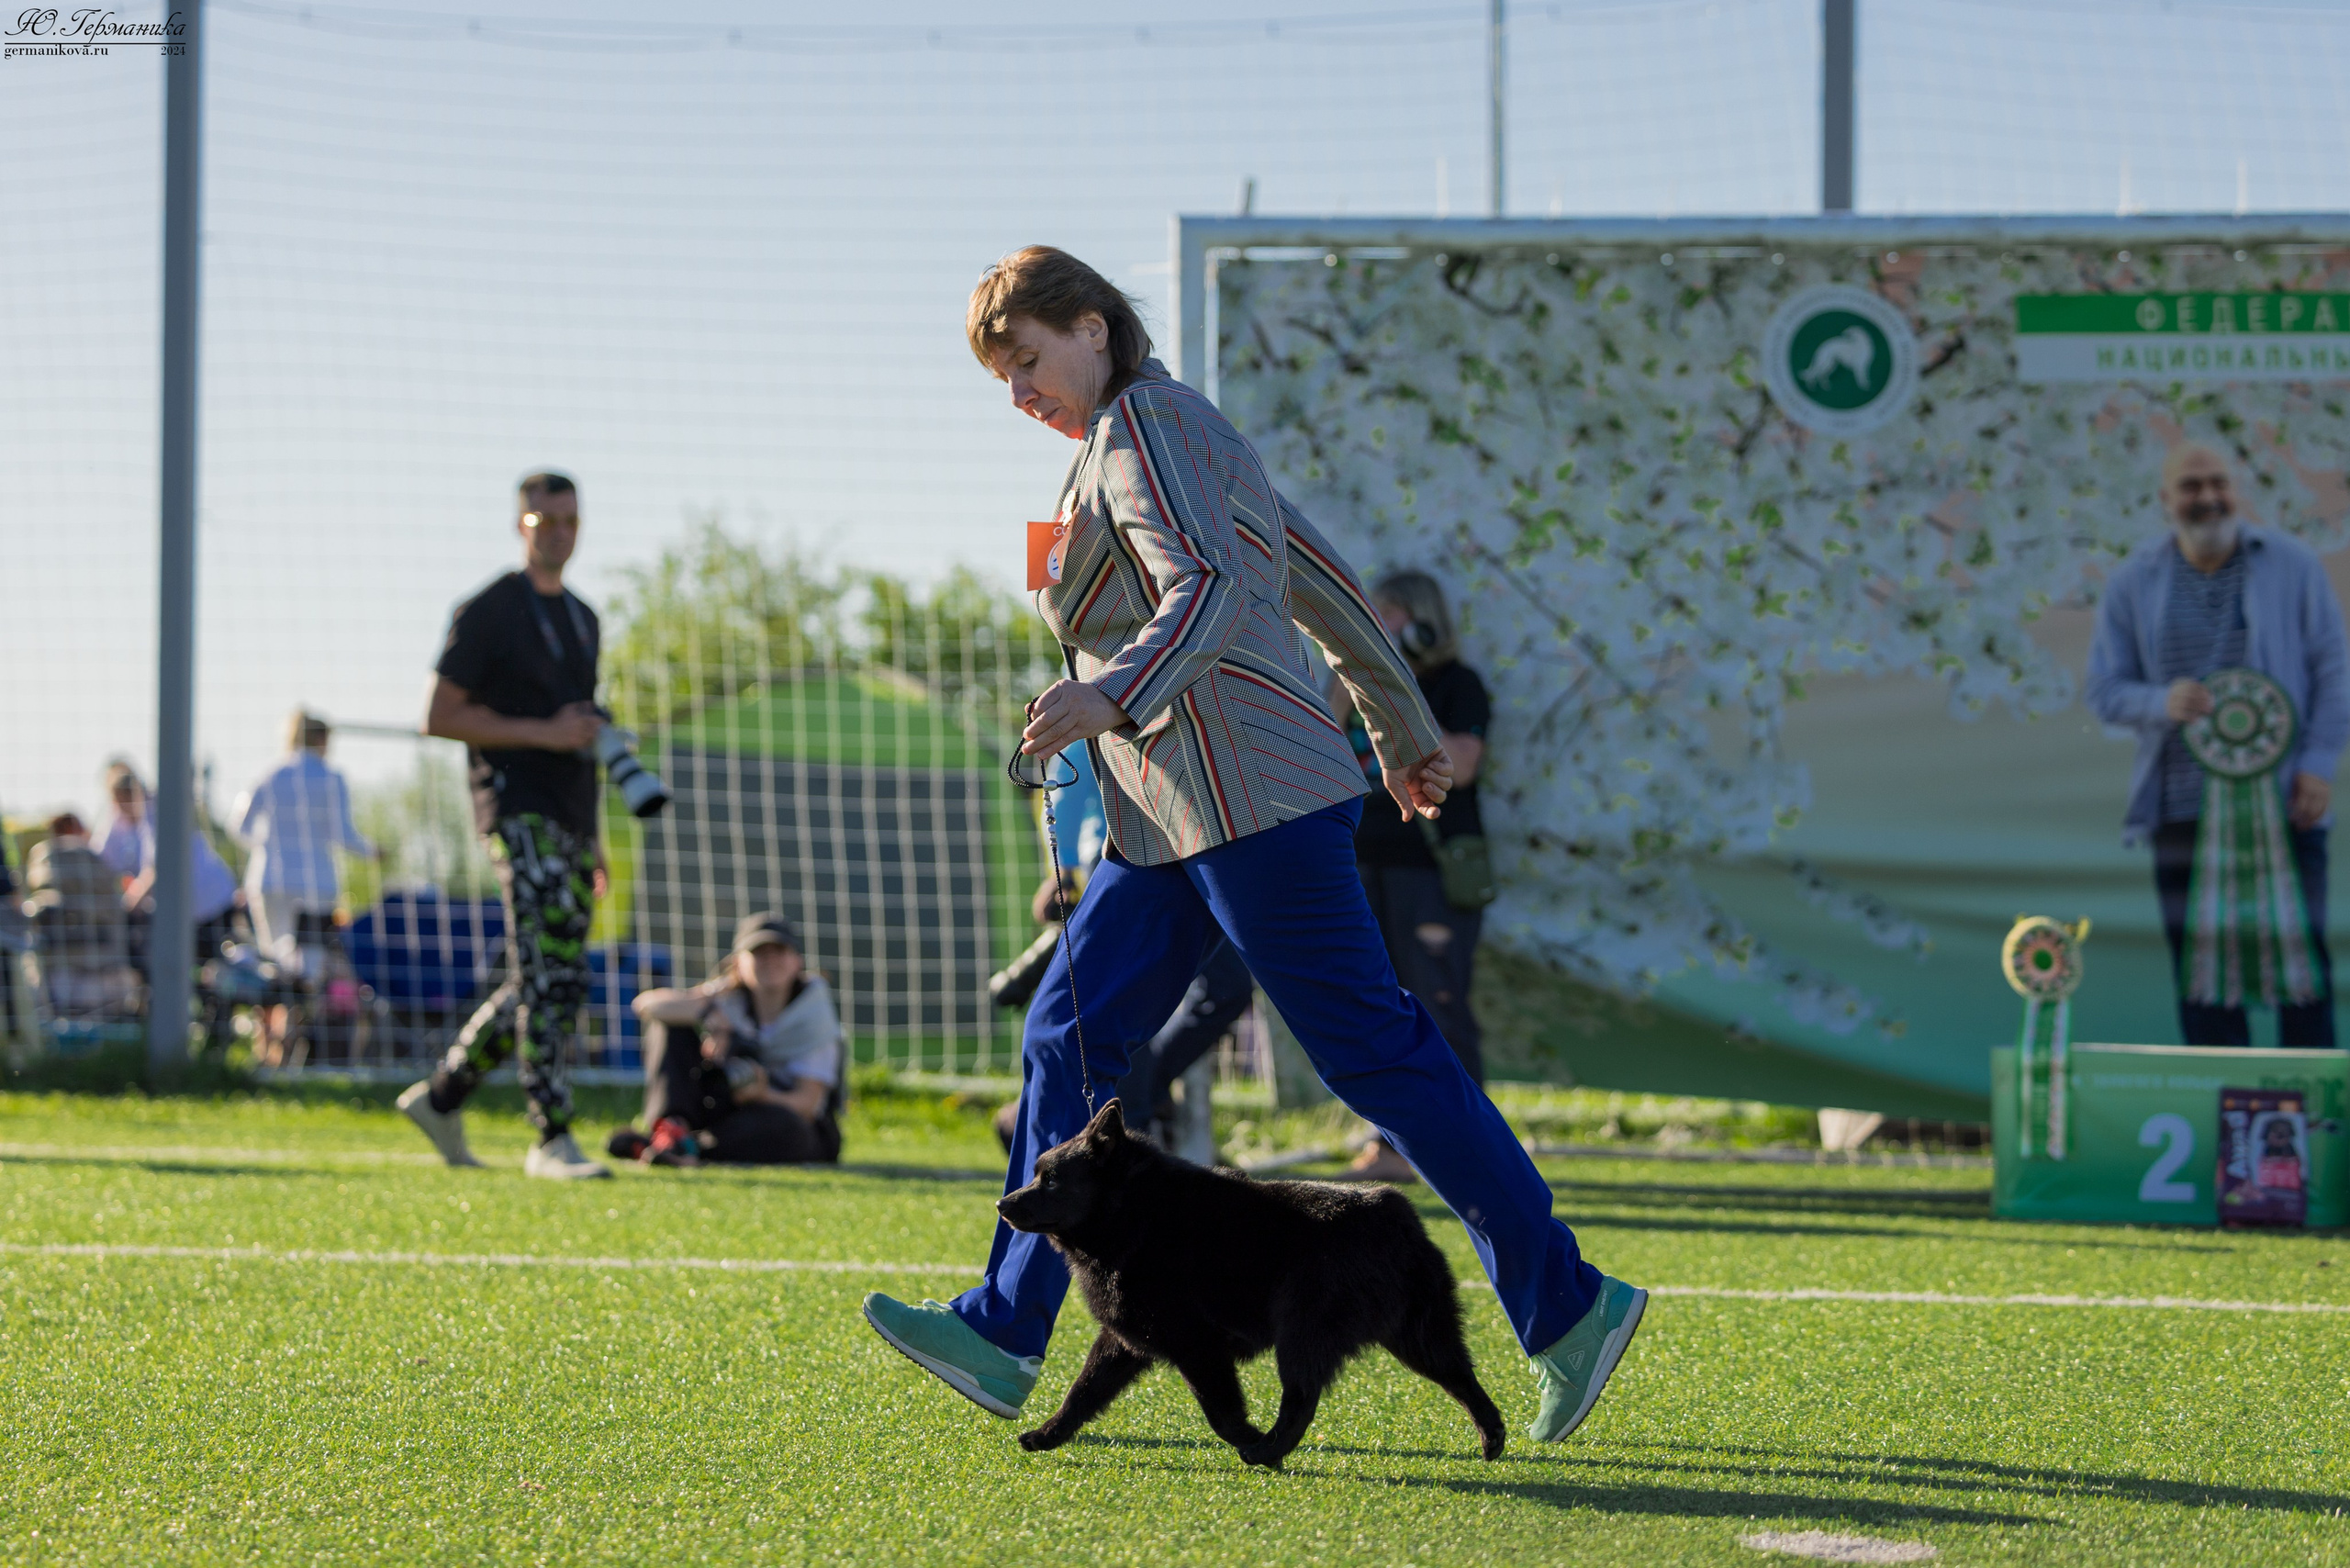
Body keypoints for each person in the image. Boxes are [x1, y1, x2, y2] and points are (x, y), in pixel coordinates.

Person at [861, 247, 1644, 1447]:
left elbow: (1222, 585)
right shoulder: (1155, 436)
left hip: (1247, 798)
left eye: (1027, 359)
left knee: (1375, 1055)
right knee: (1067, 1031)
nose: (1019, 391)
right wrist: (1400, 727)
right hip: (1173, 814)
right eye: (1000, 378)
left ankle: (1569, 1304)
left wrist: (1111, 691)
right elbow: (1316, 572)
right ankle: (1006, 1330)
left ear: (1095, 329)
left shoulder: (1148, 425)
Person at [2088, 442, 2350, 1047]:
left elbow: (2334, 670)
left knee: (2303, 974)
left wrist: (2316, 765)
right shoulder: (2133, 581)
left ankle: (2311, 1127)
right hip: (2179, 814)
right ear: (2165, 501)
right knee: (2200, 981)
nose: (2208, 498)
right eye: (2191, 486)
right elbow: (2103, 689)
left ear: (2237, 489)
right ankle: (2225, 1124)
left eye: (2218, 483)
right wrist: (2159, 702)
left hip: (2289, 808)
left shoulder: (2294, 564)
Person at [397, 471, 613, 1179]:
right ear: (520, 525)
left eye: (570, 521)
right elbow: (440, 715)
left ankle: (442, 1096)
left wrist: (598, 835)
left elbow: (579, 732)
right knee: (550, 973)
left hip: (574, 818)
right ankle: (550, 1135)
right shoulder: (489, 608)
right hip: (517, 812)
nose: (558, 532)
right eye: (543, 521)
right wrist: (542, 734)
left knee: (552, 976)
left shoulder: (584, 618)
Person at [1341, 570, 1494, 1182]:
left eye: (1392, 615)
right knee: (1377, 1006)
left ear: (1424, 619)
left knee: (1439, 1002)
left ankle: (1472, 1146)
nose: (1381, 626)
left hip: (1430, 870)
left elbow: (1459, 766)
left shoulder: (1458, 685)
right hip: (1360, 860)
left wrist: (1402, 690)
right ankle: (1393, 1145)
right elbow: (1334, 757)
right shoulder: (1357, 686)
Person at [617, 913, 845, 1166]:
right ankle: (671, 1132)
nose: (769, 960)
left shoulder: (813, 1012)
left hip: (779, 1114)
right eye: (759, 952)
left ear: (797, 961)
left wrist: (761, 1094)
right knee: (671, 1024)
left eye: (779, 951)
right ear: (738, 963)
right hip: (727, 1109)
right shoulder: (727, 996)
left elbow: (808, 1105)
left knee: (786, 1129)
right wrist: (709, 1015)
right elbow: (645, 1004)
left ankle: (687, 1149)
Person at [233, 710, 377, 964]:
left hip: (270, 878)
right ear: (321, 740)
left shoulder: (271, 774)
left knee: (273, 960)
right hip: (316, 883)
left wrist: (265, 846)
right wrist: (373, 851)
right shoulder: (331, 779)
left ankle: (278, 1001)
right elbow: (342, 834)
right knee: (310, 961)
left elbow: (238, 824)